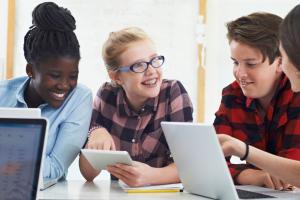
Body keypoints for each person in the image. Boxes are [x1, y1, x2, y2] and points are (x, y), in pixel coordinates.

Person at [79, 27, 193, 187]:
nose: (152, 70)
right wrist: (94, 133)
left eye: (154, 60)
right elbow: (88, 174)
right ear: (117, 77)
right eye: (138, 66)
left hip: (167, 194)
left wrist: (152, 176)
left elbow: (191, 166)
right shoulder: (107, 96)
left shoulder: (173, 93)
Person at [0, 2, 93, 180]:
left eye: (72, 75)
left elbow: (55, 168)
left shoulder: (79, 98)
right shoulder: (2, 93)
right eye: (55, 75)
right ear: (31, 70)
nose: (64, 85)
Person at [214, 12, 300, 190]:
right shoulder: (232, 95)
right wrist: (249, 175)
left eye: (251, 64)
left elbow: (292, 171)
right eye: (235, 62)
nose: (240, 74)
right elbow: (210, 162)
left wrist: (242, 150)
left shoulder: (296, 94)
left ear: (280, 63)